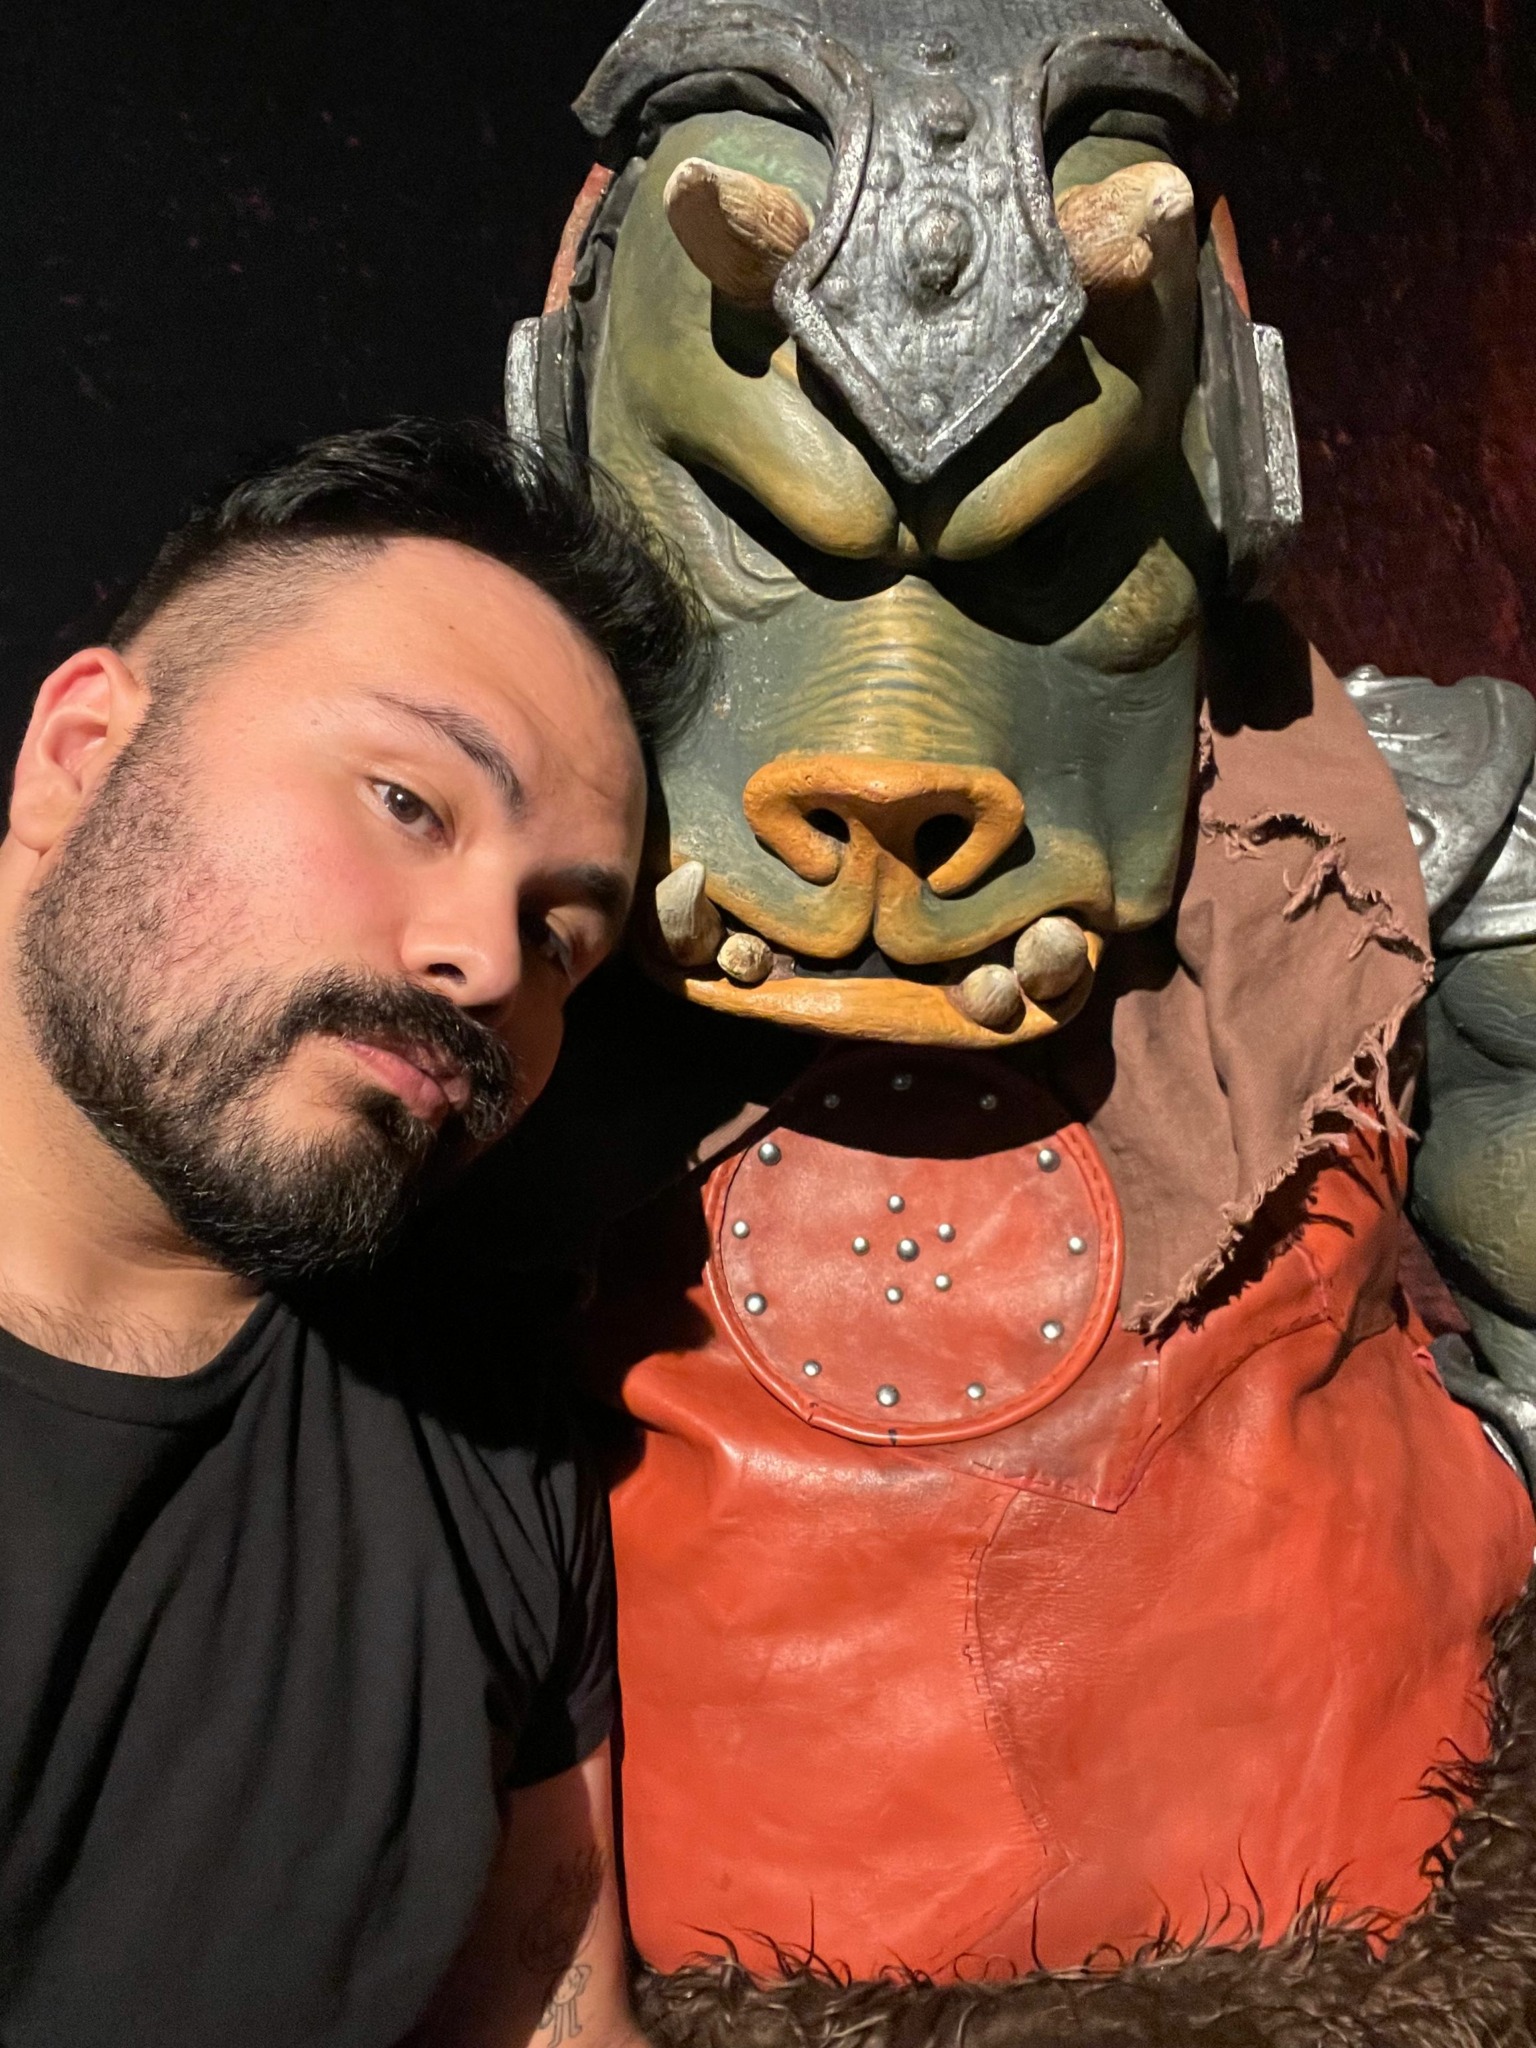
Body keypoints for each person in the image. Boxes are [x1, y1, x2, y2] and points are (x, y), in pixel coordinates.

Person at [0, 418, 702, 2048]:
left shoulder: (483, 1434)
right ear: (80, 753)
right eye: (410, 801)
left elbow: (552, 2012)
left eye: (562, 936)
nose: (489, 965)